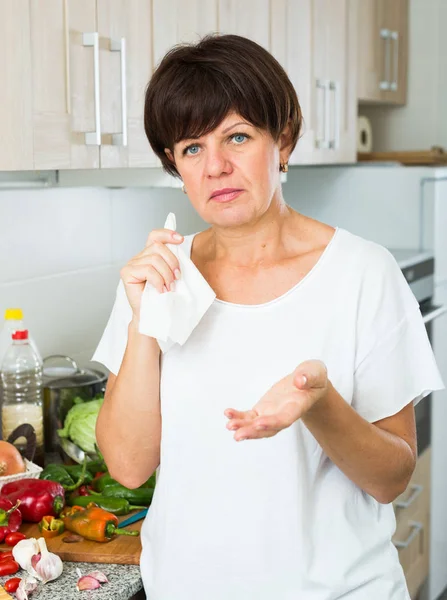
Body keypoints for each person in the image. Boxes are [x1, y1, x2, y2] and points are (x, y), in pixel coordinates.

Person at [93, 34, 444, 600]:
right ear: (173, 164)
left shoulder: (362, 273)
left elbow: (390, 479)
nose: (216, 168)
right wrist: (143, 324)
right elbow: (130, 467)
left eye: (237, 136)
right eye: (191, 148)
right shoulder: (158, 278)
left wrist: (321, 404)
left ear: (282, 141)